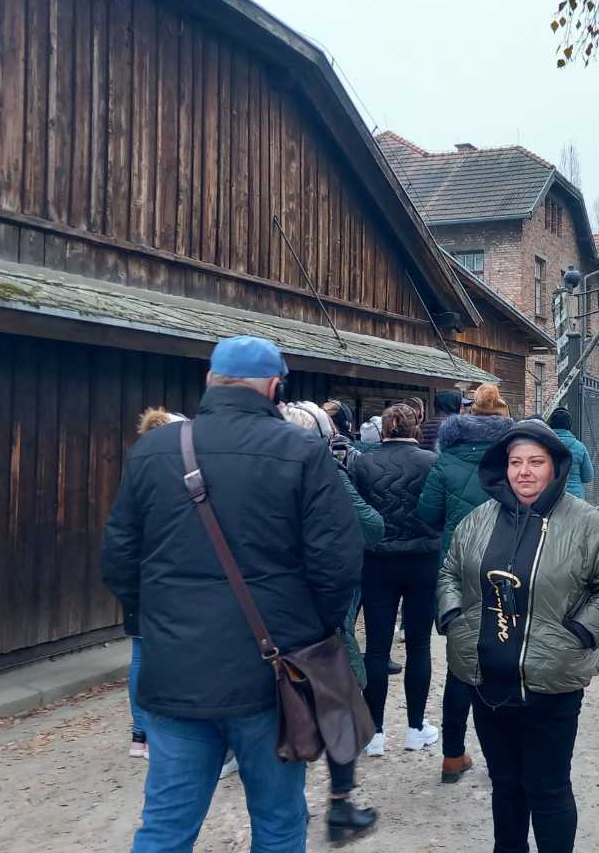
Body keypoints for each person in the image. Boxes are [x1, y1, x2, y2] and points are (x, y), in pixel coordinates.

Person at [102, 336, 363, 851]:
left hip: (174, 669)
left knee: (166, 824)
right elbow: (337, 562)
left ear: (209, 381)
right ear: (273, 386)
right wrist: (311, 631)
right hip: (272, 673)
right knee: (279, 818)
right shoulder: (301, 451)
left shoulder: (153, 450)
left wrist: (158, 619)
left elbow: (118, 560)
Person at [437, 421, 599, 853]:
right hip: (486, 682)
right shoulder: (478, 520)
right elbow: (450, 570)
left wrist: (578, 632)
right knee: (506, 785)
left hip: (551, 686)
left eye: (535, 462)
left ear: (555, 467)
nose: (524, 472)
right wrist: (454, 618)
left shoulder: (588, 525)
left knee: (547, 790)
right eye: (515, 462)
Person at [282, 402, 381, 843]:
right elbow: (369, 526)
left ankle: (293, 806)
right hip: (319, 617)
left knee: (283, 709)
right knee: (338, 702)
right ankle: (339, 806)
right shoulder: (327, 472)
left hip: (263, 617)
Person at [417, 385, 514, 784]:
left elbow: (426, 513)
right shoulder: (512, 459)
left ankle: (453, 756)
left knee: (460, 666)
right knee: (506, 661)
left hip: (456, 573)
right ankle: (503, 758)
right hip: (506, 570)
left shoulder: (447, 459)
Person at [350, 404, 442, 756]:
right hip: (422, 561)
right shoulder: (430, 462)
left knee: (376, 647)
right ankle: (416, 727)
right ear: (415, 427)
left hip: (377, 562)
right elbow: (436, 511)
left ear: (384, 429)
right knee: (419, 646)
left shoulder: (361, 463)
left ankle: (374, 732)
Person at [124, 408, 188, 763]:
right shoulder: (177, 471)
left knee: (139, 654)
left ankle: (140, 734)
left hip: (138, 574)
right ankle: (163, 730)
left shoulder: (138, 464)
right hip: (164, 576)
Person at [545, 407, 594, 500]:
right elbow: (588, 476)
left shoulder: (543, 446)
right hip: (575, 499)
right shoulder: (580, 447)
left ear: (550, 424)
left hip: (550, 497)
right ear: (569, 425)